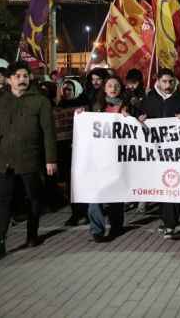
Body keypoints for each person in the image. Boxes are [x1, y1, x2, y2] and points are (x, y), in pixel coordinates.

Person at [0, 61, 57, 263]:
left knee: (33, 198)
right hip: (2, 159)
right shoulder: (0, 101)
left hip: (30, 158)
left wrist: (50, 159)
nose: (22, 79)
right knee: (2, 200)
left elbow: (49, 132)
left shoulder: (40, 101)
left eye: (25, 75)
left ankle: (32, 234)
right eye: (18, 76)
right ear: (10, 79)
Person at [139, 68, 180, 239]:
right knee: (160, 187)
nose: (168, 85)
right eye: (164, 81)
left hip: (176, 152)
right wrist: (139, 119)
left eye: (171, 82)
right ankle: (166, 220)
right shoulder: (148, 100)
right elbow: (137, 118)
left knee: (173, 184)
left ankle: (170, 224)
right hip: (155, 152)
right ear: (157, 81)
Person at [85, 76, 128, 242]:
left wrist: (132, 117)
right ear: (104, 88)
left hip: (118, 158)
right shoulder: (96, 107)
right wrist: (81, 115)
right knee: (95, 195)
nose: (113, 88)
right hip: (98, 159)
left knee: (115, 195)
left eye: (116, 85)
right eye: (110, 85)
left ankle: (117, 226)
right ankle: (97, 229)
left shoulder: (128, 106)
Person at [57, 80, 88, 226]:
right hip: (66, 151)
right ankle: (75, 213)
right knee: (71, 184)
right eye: (64, 90)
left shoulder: (84, 104)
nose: (66, 92)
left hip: (82, 150)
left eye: (69, 89)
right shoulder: (58, 106)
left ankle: (87, 212)